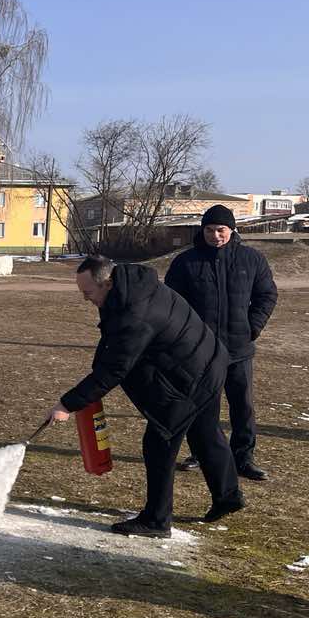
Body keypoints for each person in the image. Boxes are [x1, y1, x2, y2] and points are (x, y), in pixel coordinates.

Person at [46, 256, 243, 537]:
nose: (85, 298)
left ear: (108, 283)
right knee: (205, 432)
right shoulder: (131, 289)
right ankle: (228, 496)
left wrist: (67, 404)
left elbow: (116, 368)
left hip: (193, 376)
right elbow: (113, 341)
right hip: (208, 361)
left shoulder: (136, 312)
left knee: (159, 443)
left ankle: (156, 520)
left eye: (88, 292)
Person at [165, 206, 278, 481]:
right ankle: (201, 453)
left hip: (239, 349)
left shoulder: (252, 259)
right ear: (202, 231)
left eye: (220, 230)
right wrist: (187, 336)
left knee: (243, 406)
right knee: (204, 407)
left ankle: (243, 458)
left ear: (232, 230)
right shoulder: (185, 262)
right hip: (200, 351)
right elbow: (172, 302)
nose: (215, 236)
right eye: (209, 230)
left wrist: (253, 327)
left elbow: (266, 295)